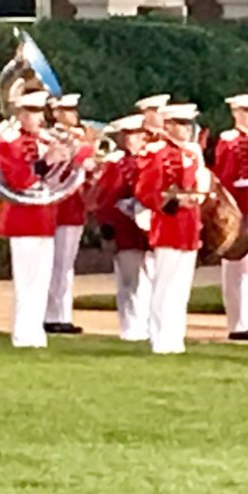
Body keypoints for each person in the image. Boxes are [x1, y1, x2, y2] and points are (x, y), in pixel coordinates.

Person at [0, 88, 89, 349]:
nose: (39, 119)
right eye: (33, 112)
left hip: (45, 216)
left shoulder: (42, 140)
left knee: (41, 279)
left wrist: (67, 160)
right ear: (21, 114)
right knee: (27, 280)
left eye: (39, 112)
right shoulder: (7, 141)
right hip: (22, 218)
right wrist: (47, 161)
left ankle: (34, 333)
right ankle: (23, 334)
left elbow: (53, 181)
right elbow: (18, 179)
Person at [137, 102, 208, 354]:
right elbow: (145, 189)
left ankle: (175, 337)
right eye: (181, 124)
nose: (187, 130)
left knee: (181, 286)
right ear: (168, 126)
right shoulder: (156, 151)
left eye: (188, 124)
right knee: (165, 284)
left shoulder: (191, 153)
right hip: (168, 223)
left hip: (188, 223)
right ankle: (160, 336)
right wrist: (165, 202)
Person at [210, 93, 248, 341]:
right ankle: (239, 323)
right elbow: (225, 177)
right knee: (236, 268)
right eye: (246, 112)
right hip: (237, 208)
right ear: (236, 114)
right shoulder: (229, 140)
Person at [94, 115, 152, 342]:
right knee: (130, 281)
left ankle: (144, 326)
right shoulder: (115, 163)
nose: (132, 140)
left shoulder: (149, 160)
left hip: (146, 229)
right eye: (127, 136)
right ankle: (131, 328)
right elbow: (106, 198)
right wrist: (107, 226)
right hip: (124, 228)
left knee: (147, 280)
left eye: (137, 135)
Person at [44, 92, 88, 335]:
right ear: (57, 113)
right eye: (69, 111)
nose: (75, 115)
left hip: (75, 207)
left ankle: (62, 313)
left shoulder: (77, 137)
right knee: (58, 264)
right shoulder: (53, 138)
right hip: (60, 207)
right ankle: (53, 315)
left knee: (66, 265)